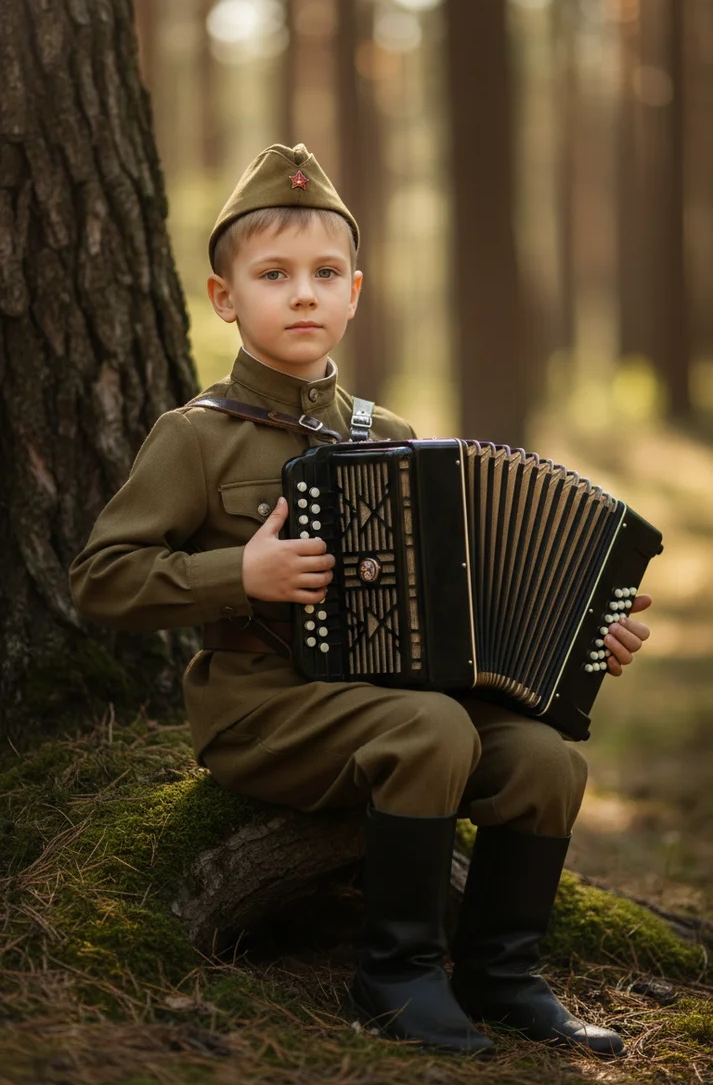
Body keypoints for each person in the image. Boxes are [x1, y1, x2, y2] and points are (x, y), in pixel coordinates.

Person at [69, 143, 653, 1059]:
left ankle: (500, 976)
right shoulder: (197, 438)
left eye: (324, 274)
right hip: (264, 712)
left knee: (545, 759)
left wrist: (582, 630)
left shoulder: (392, 436)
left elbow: (467, 603)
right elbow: (101, 579)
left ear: (354, 293)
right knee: (431, 731)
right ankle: (395, 976)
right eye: (273, 274)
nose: (302, 294)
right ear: (225, 299)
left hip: (404, 702)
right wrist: (239, 576)